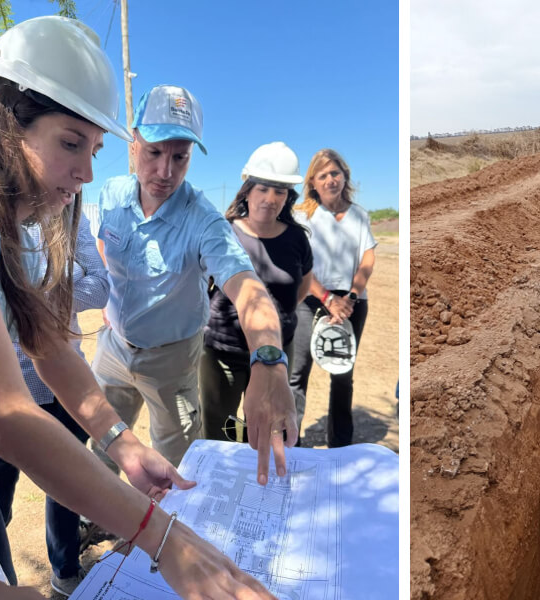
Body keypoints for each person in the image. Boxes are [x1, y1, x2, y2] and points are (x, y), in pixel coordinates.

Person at [0, 16, 278, 599]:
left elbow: (47, 343)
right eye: (70, 143)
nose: (84, 173)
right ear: (9, 122)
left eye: (93, 149)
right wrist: (162, 536)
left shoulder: (20, 226)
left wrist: (123, 443)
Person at [92, 85, 296, 482]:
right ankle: (94, 511)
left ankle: (173, 518)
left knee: (178, 459)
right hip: (113, 347)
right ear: (133, 144)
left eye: (179, 157)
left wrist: (269, 360)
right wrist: (107, 302)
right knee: (103, 442)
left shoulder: (204, 221)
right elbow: (104, 244)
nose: (165, 172)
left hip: (170, 360)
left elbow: (247, 289)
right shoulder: (112, 194)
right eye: (154, 152)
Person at [0, 212, 107, 595]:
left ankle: (65, 570)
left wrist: (26, 293)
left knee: (67, 488)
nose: (83, 183)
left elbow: (99, 288)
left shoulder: (70, 217)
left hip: (65, 388)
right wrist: (60, 288)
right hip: (2, 393)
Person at [200, 142, 313, 441]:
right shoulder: (224, 232)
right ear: (247, 191)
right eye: (263, 189)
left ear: (288, 197)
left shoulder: (297, 239)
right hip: (224, 352)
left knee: (267, 428)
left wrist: (277, 316)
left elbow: (304, 285)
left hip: (277, 352)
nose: (270, 199)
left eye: (280, 192)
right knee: (220, 429)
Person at [289, 150, 377, 447]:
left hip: (352, 303)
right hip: (310, 300)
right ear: (312, 182)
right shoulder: (301, 216)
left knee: (342, 373)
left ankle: (340, 446)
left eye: (335, 173)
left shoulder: (360, 215)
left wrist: (351, 296)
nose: (330, 180)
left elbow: (367, 259)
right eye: (323, 175)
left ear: (345, 176)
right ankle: (291, 442)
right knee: (297, 373)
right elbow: (299, 264)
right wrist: (327, 298)